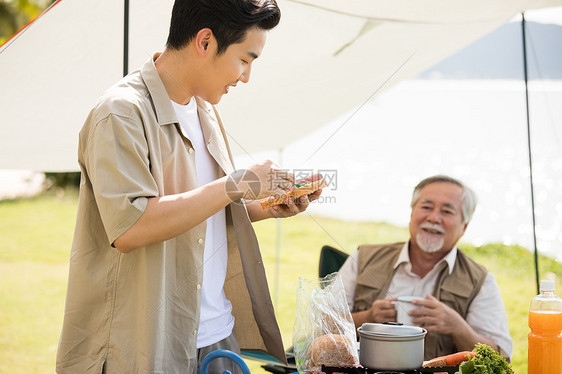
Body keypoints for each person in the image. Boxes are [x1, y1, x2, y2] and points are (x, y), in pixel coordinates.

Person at [56, 1, 322, 373]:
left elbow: (198, 214)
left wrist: (264, 207)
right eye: (245, 59)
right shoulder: (120, 112)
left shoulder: (204, 108)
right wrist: (238, 183)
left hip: (216, 338)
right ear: (206, 41)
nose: (245, 77)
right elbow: (132, 227)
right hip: (144, 347)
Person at [338, 175, 512, 361]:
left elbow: (499, 358)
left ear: (464, 227)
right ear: (412, 214)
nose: (433, 218)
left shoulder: (480, 280)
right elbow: (321, 324)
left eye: (446, 211)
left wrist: (457, 327)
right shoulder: (364, 257)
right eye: (426, 207)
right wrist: (368, 317)